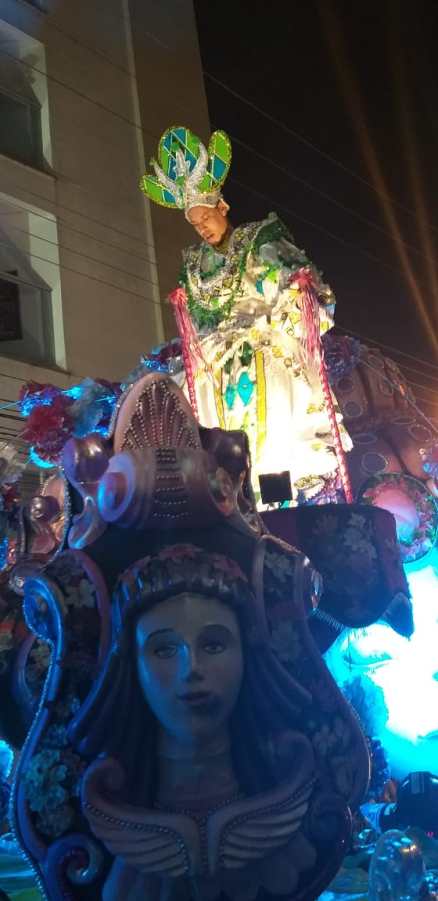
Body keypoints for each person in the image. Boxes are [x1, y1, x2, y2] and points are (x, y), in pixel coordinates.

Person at [140, 126, 351, 505]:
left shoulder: (260, 239)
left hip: (262, 349)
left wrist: (298, 290)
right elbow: (197, 322)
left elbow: (300, 283)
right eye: (195, 223)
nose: (203, 228)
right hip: (216, 362)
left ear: (222, 208)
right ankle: (228, 493)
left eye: (206, 217)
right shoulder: (194, 264)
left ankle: (278, 495)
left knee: (276, 419)